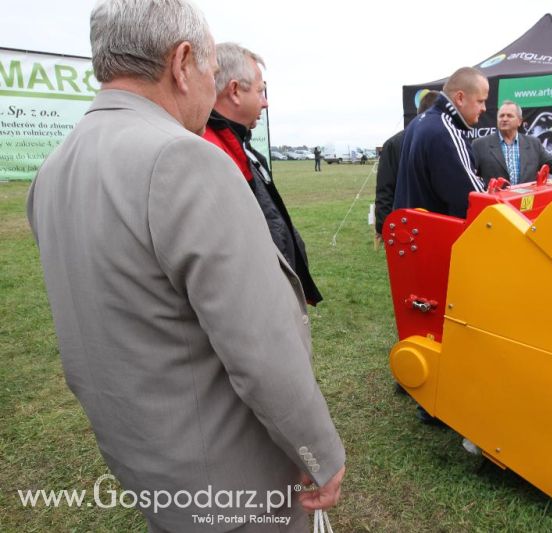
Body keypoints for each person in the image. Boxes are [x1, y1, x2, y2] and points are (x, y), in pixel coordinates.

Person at [26, 2, 345, 532]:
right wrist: (320, 454)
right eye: (211, 72)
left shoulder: (54, 169)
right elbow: (261, 348)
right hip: (231, 477)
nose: (211, 85)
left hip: (149, 464)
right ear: (181, 63)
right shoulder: (182, 159)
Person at [203, 42, 323, 305]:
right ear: (234, 91)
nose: (266, 103)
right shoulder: (209, 152)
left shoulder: (239, 147)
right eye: (261, 91)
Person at [393, 67, 489, 218]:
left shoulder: (418, 122)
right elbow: (474, 198)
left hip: (412, 232)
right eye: (480, 101)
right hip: (435, 236)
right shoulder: (445, 131)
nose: (484, 108)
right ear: (460, 98)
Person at [472, 100, 552, 185]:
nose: (504, 119)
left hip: (526, 206)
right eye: (501, 116)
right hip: (494, 209)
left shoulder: (534, 144)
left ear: (519, 121)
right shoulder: (479, 145)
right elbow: (470, 176)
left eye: (509, 116)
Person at [374, 90, 439, 237]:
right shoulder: (394, 144)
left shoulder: (441, 140)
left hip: (428, 224)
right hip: (408, 224)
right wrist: (384, 227)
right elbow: (386, 189)